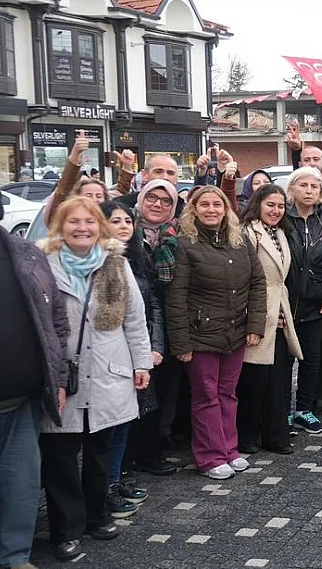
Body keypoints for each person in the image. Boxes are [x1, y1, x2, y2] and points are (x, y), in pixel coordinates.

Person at [40, 197, 151, 562]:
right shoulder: (44, 265)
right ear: (60, 226)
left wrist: (141, 364)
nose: (82, 228)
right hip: (61, 375)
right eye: (74, 222)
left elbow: (135, 320)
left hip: (108, 371)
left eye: (89, 221)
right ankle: (66, 529)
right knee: (60, 456)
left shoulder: (116, 265)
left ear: (100, 227)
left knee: (100, 452)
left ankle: (96, 515)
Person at [166, 186, 265, 480]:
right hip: (200, 336)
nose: (212, 210)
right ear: (193, 209)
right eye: (204, 205)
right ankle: (209, 456)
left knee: (228, 394)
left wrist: (254, 326)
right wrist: (181, 342)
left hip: (234, 332)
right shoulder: (185, 244)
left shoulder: (239, 240)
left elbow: (257, 283)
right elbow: (176, 297)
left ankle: (229, 449)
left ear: (226, 209)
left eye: (217, 204)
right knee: (206, 396)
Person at [0, 185, 69, 569]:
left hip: (20, 403)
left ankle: (14, 557)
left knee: (20, 487)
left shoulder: (25, 254)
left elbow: (55, 320)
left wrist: (56, 378)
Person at [99, 201, 162, 519]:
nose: (124, 226)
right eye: (115, 220)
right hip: (108, 356)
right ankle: (104, 486)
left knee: (126, 421)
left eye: (128, 220)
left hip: (136, 352)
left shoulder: (136, 259)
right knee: (108, 427)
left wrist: (151, 348)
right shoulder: (100, 263)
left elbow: (150, 305)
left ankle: (116, 479)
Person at [236, 185, 302, 455]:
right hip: (256, 312)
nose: (276, 211)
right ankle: (247, 435)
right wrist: (254, 318)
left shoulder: (282, 233)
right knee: (254, 378)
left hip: (280, 310)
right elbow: (244, 279)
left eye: (281, 206)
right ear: (258, 204)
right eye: (270, 205)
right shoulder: (247, 232)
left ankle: (275, 435)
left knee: (277, 379)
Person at [124, 179, 183, 478]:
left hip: (170, 323)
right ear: (140, 199)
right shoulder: (125, 231)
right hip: (135, 325)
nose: (158, 204)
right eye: (152, 198)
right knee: (137, 394)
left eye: (165, 200)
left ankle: (154, 448)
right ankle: (132, 456)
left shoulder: (175, 235)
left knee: (164, 391)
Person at [285, 168, 322, 434]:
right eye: (303, 185)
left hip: (317, 298)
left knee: (311, 359)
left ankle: (304, 409)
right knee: (283, 362)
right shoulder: (283, 217)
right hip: (286, 298)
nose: (308, 191)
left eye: (314, 186)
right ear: (292, 189)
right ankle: (282, 411)